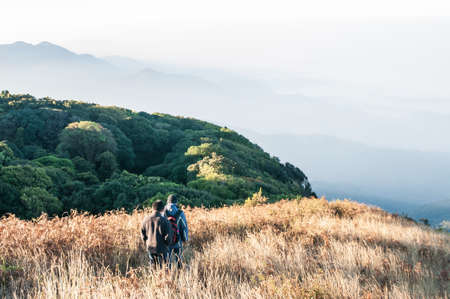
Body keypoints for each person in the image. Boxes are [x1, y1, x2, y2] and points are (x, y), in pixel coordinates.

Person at [141, 200, 173, 268]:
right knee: (165, 268)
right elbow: (168, 238)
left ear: (152, 208)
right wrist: (167, 244)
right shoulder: (165, 221)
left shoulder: (145, 220)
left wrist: (147, 243)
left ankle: (154, 278)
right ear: (163, 209)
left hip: (150, 248)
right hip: (162, 249)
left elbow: (143, 236)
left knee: (153, 268)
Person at [164, 194, 189, 268]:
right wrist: (185, 239)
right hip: (178, 241)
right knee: (179, 260)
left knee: (167, 262)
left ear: (167, 202)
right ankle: (179, 275)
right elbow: (184, 227)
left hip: (166, 241)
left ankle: (168, 277)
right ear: (176, 202)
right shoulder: (180, 213)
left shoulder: (163, 212)